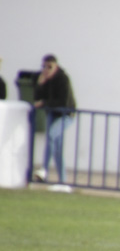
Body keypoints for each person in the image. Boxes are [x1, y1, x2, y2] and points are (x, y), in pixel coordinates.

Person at [32, 54, 77, 185]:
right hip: (52, 114)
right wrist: (40, 84)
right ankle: (62, 180)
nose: (46, 69)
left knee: (51, 135)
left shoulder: (63, 79)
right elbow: (37, 97)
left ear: (55, 67)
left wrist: (45, 102)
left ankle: (44, 169)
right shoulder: (45, 79)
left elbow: (63, 101)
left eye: (49, 67)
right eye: (44, 66)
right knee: (57, 148)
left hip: (66, 115)